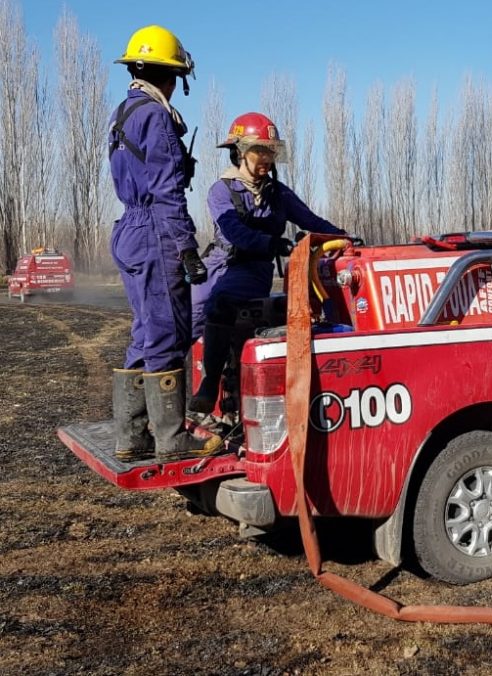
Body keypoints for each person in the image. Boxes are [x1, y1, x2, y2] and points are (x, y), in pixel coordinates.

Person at [188, 112, 349, 414]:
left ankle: (210, 386)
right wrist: (272, 242)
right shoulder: (221, 191)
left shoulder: (278, 194)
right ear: (240, 151)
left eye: (270, 152)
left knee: (221, 304)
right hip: (218, 262)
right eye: (259, 150)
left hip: (250, 268)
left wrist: (343, 236)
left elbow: (311, 220)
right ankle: (170, 412)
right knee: (182, 323)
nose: (266, 158)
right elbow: (234, 233)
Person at [108, 25, 218, 462]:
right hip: (155, 230)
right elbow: (167, 190)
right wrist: (187, 248)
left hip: (129, 231)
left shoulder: (124, 112)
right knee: (168, 334)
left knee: (144, 332)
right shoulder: (156, 116)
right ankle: (172, 439)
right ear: (169, 75)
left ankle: (131, 437)